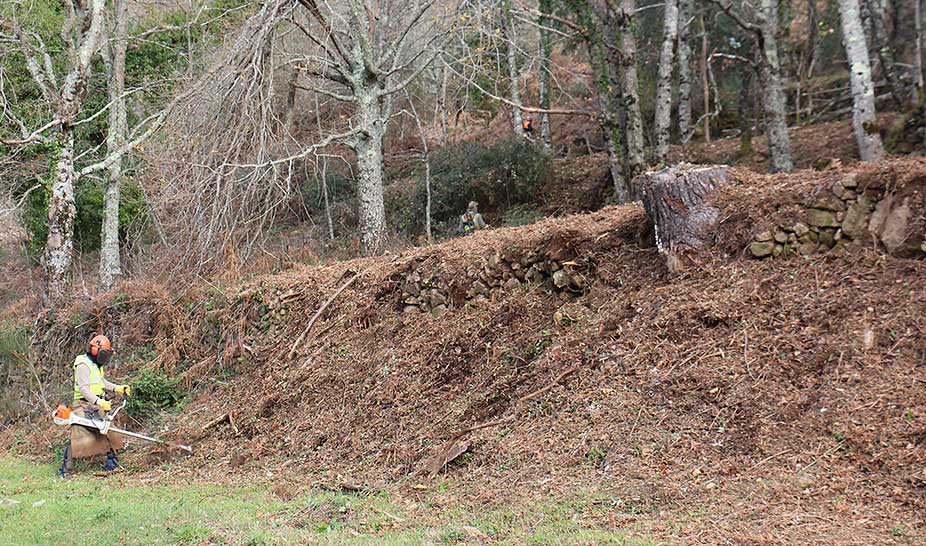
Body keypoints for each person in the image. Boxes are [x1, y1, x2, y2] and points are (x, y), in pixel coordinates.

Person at [58, 335, 131, 478]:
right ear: (95, 350)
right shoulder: (83, 364)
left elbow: (101, 382)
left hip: (96, 404)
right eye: (104, 353)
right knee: (80, 436)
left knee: (109, 431)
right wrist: (99, 402)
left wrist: (117, 388)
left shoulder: (96, 365)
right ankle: (65, 470)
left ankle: (112, 464)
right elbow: (84, 389)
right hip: (83, 404)